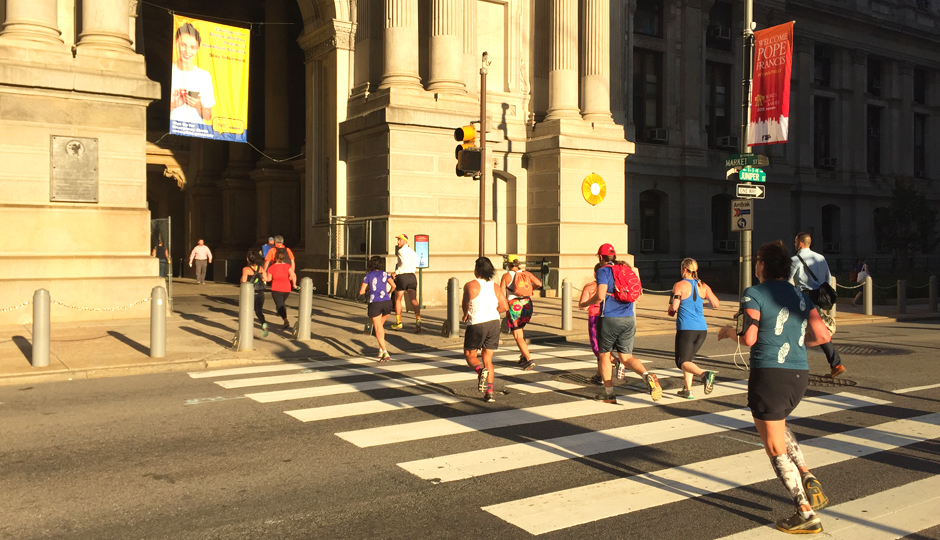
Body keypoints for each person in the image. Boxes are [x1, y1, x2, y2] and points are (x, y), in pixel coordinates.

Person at [718, 240, 832, 534]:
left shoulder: (754, 294)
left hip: (769, 374)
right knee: (778, 425)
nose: (756, 264)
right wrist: (794, 342)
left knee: (773, 446)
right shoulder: (800, 295)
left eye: (758, 260)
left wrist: (731, 332)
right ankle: (805, 473)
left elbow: (750, 338)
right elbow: (821, 335)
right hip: (799, 375)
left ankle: (804, 511)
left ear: (763, 266)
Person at [579, 243, 662, 403]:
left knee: (604, 355)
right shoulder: (626, 269)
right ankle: (647, 375)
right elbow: (638, 294)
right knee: (626, 357)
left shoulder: (603, 271)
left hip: (610, 318)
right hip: (629, 318)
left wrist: (585, 304)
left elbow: (600, 295)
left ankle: (608, 393)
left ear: (601, 257)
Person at [790, 233, 845, 378]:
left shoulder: (795, 260)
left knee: (798, 330)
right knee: (815, 330)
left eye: (796, 242)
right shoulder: (820, 258)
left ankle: (796, 365)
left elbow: (788, 281)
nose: (794, 244)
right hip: (818, 296)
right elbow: (828, 278)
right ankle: (836, 364)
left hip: (803, 296)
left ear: (800, 243)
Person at [667, 258, 720, 399]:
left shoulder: (679, 285)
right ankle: (688, 390)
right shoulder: (703, 285)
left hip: (686, 329)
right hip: (702, 329)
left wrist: (671, 309)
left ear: (684, 269)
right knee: (688, 359)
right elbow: (715, 303)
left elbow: (674, 307)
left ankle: (704, 375)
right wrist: (701, 305)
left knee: (681, 362)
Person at [462, 257, 509, 403]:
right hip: (494, 323)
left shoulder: (470, 285)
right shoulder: (495, 286)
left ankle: (479, 371)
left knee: (470, 355)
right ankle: (490, 392)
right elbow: (505, 307)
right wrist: (493, 311)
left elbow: (465, 304)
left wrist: (465, 314)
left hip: (477, 323)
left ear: (477, 270)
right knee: (488, 359)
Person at [500, 255, 542, 370]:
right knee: (521, 331)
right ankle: (523, 356)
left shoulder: (506, 276)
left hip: (515, 305)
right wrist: (529, 289)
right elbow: (539, 283)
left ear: (508, 264)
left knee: (517, 335)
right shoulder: (526, 273)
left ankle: (529, 359)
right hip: (527, 304)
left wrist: (500, 307)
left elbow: (502, 294)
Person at [170, 22, 215, 125]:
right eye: (183, 45)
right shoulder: (168, 70)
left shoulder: (204, 76)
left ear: (198, 49)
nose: (187, 51)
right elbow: (156, 110)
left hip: (196, 133)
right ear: (175, 43)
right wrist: (175, 103)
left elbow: (208, 116)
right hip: (172, 130)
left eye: (192, 47)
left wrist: (198, 106)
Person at [359, 256, 397, 362]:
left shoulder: (368, 276)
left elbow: (361, 291)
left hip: (375, 303)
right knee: (381, 327)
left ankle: (385, 351)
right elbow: (394, 285)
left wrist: (367, 289)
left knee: (377, 329)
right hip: (387, 303)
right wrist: (389, 293)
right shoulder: (385, 274)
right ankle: (380, 349)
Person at [580, 264, 609, 385]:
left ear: (594, 274)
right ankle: (600, 375)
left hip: (594, 317)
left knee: (597, 347)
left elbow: (584, 306)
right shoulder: (612, 285)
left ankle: (615, 361)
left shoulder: (590, 287)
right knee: (606, 346)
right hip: (609, 316)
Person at [391, 234, 422, 333]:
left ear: (405, 241)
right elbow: (417, 263)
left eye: (399, 240)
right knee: (413, 299)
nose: (398, 242)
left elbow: (404, 264)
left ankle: (398, 322)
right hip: (412, 276)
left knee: (398, 299)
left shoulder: (401, 251)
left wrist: (396, 272)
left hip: (403, 276)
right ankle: (418, 320)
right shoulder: (412, 252)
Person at [240, 251, 270, 338]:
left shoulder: (246, 269)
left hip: (250, 293)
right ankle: (263, 323)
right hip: (260, 293)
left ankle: (246, 331)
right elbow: (266, 278)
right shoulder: (260, 268)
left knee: (247, 311)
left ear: (247, 259)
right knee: (258, 311)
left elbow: (244, 281)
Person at [267, 250, 297, 330]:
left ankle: (285, 319)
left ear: (275, 258)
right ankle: (284, 317)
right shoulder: (288, 266)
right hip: (286, 288)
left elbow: (269, 279)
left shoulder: (271, 268)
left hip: (276, 288)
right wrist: (294, 284)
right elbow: (293, 275)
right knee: (282, 303)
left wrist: (264, 277)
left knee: (280, 304)